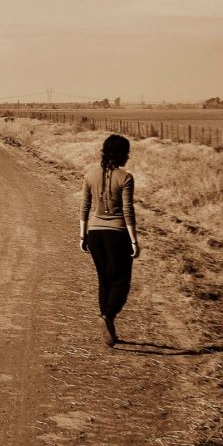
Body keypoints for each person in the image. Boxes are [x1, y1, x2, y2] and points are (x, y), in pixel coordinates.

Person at [79, 133, 140, 346]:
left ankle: (109, 330)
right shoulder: (126, 177)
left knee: (104, 281)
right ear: (121, 154)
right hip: (117, 234)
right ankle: (107, 317)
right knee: (121, 282)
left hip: (94, 234)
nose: (128, 157)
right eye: (127, 153)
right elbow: (127, 211)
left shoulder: (89, 175)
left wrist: (82, 235)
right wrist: (134, 241)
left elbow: (84, 206)